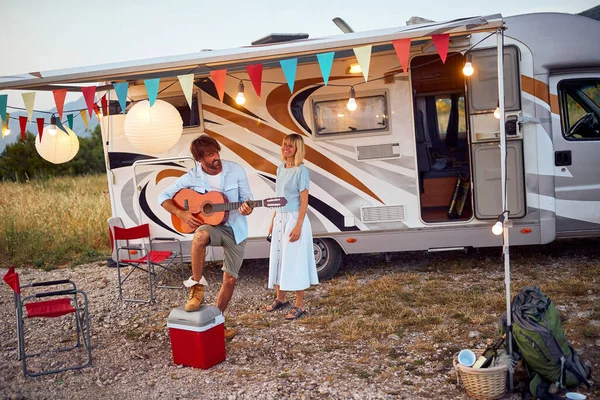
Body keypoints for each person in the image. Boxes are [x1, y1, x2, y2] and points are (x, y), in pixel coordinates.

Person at [159, 134, 253, 340]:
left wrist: (247, 208)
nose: (215, 157)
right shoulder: (192, 176)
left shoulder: (235, 170)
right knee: (200, 235)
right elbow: (163, 197)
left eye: (216, 152)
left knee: (230, 280)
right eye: (210, 155)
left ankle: (216, 325)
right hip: (212, 227)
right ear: (200, 159)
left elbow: (248, 199)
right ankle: (196, 289)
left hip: (236, 228)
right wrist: (182, 214)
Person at [265, 133, 319, 320]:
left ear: (297, 149)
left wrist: (298, 225)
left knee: (294, 260)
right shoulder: (281, 168)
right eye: (284, 145)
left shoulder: (301, 170)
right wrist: (273, 218)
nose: (286, 148)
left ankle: (300, 305)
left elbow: (304, 201)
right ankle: (281, 298)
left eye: (290, 146)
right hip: (280, 217)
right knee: (279, 258)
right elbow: (279, 197)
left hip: (294, 218)